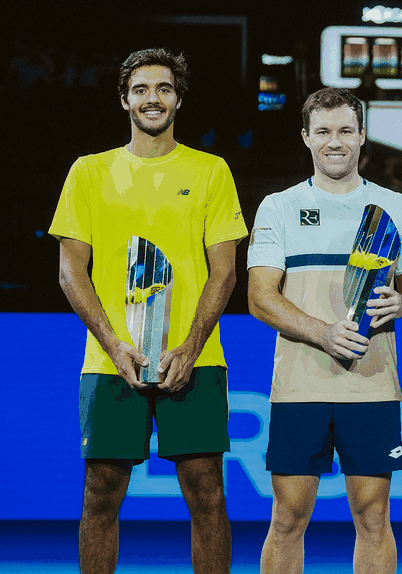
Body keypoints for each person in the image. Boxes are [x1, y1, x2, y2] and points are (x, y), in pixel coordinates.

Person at [49, 48, 247, 574]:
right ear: (124, 100)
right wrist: (115, 346)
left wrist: (191, 346)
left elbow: (225, 272)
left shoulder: (211, 171)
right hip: (110, 360)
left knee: (207, 493)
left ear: (178, 99)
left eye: (163, 88)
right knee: (100, 492)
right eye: (140, 89)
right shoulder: (89, 172)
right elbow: (71, 272)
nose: (152, 98)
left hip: (195, 360)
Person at [247, 87, 402, 574]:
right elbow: (260, 297)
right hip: (299, 386)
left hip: (371, 385)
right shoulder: (279, 206)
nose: (335, 141)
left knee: (373, 518)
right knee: (287, 517)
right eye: (323, 131)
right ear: (306, 137)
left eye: (346, 130)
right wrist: (323, 334)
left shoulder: (395, 207)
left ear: (362, 136)